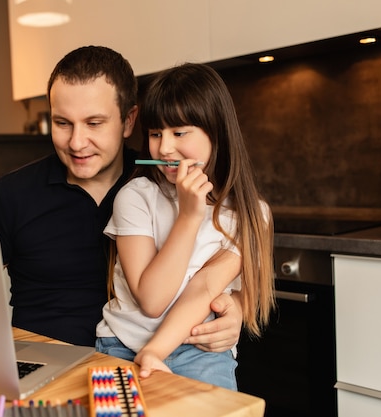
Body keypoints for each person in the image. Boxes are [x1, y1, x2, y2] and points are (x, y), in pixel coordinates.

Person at [0, 46, 243, 351]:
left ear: (129, 121)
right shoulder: (10, 195)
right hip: (43, 361)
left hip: (139, 364)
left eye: (94, 123)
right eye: (62, 123)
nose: (76, 142)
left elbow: (214, 263)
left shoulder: (161, 185)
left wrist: (234, 308)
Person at [95, 63, 275, 389]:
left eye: (179, 133)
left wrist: (155, 352)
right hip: (122, 345)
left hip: (201, 352)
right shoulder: (136, 197)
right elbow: (152, 300)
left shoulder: (251, 213)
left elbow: (204, 288)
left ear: (216, 132)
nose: (164, 148)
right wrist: (188, 217)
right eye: (154, 134)